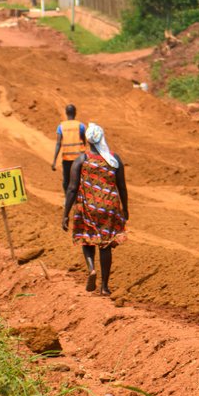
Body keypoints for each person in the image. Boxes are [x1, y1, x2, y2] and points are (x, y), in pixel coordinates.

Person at [61, 123, 128, 296]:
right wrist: (125, 209)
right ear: (102, 137)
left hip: (88, 207)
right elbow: (122, 187)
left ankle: (91, 268)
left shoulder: (82, 160)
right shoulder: (114, 159)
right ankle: (104, 287)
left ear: (88, 141)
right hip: (109, 207)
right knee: (105, 246)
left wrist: (65, 214)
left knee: (87, 238)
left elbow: (72, 188)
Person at [50, 104, 87, 194]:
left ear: (66, 113)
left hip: (67, 159)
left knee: (67, 180)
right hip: (79, 158)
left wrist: (54, 161)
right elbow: (84, 141)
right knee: (79, 179)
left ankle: (67, 198)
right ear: (75, 113)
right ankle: (79, 198)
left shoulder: (61, 126)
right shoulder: (80, 126)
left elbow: (58, 143)